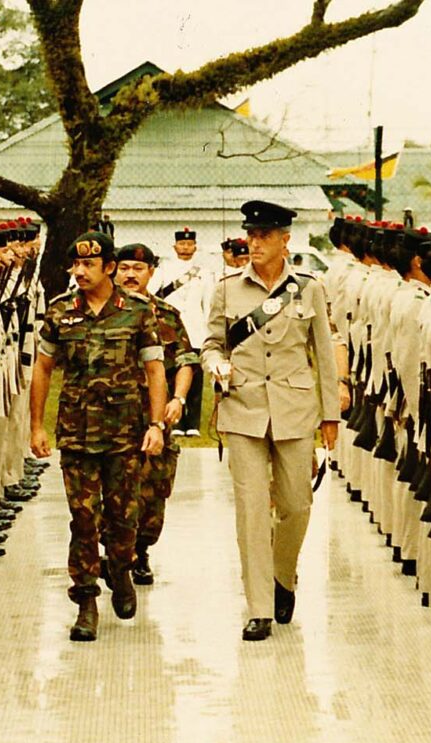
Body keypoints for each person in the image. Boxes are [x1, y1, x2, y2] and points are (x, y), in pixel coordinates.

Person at [202, 200, 340, 641]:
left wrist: (331, 415)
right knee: (252, 512)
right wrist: (215, 365)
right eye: (251, 235)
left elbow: (324, 355)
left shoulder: (308, 289)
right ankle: (259, 607)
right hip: (243, 409)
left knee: (298, 505)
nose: (254, 243)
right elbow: (211, 343)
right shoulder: (227, 289)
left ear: (285, 240)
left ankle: (283, 574)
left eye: (264, 236)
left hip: (294, 411)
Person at [30, 231, 167, 642]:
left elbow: (155, 370)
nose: (80, 271)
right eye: (76, 264)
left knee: (124, 517)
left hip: (124, 434)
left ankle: (121, 568)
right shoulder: (60, 312)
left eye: (89, 264)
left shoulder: (137, 312)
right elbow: (43, 368)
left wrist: (156, 425)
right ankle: (85, 601)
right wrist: (36, 425)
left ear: (109, 268)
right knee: (83, 519)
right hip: (77, 434)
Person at [113, 243, 199, 585]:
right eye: (124, 268)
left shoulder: (166, 314)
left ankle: (141, 550)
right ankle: (118, 552)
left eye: (138, 269)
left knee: (153, 487)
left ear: (151, 272)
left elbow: (185, 360)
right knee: (113, 487)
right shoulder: (104, 311)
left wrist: (178, 398)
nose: (130, 275)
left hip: (154, 413)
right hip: (112, 416)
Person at [151, 227, 209, 436]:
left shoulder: (204, 272)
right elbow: (152, 295)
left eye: (189, 244)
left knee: (196, 377)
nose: (185, 247)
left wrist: (208, 331)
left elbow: (208, 304)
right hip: (171, 330)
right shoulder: (163, 270)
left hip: (195, 329)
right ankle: (174, 422)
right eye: (182, 244)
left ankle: (192, 423)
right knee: (171, 375)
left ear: (195, 247)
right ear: (175, 246)